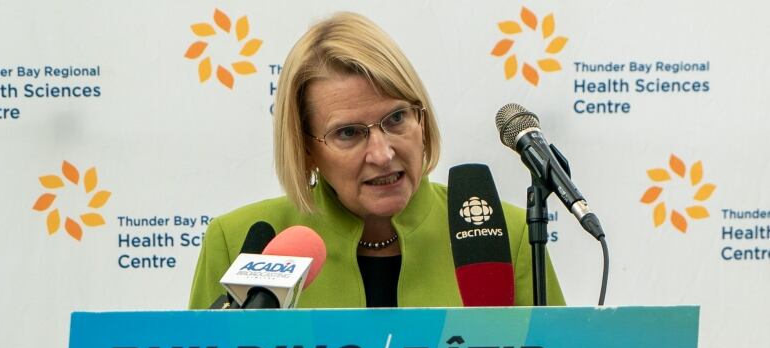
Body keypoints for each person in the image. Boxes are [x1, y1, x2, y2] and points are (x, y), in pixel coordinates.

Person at [189, 12, 564, 309]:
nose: (382, 153)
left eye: (397, 118)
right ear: (305, 148)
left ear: (422, 119)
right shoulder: (238, 243)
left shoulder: (507, 236)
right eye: (348, 133)